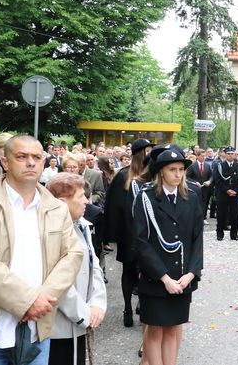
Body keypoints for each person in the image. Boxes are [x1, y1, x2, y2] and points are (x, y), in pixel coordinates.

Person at [0, 135, 83, 364]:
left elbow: (72, 255)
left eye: (36, 157)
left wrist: (42, 302)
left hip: (36, 333)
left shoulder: (56, 208)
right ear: (5, 162)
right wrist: (28, 301)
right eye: (21, 156)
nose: (30, 162)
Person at [133, 149, 203, 365]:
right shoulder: (146, 197)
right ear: (161, 172)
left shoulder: (191, 197)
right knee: (154, 331)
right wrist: (164, 278)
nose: (178, 174)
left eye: (181, 170)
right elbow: (141, 241)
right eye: (172, 170)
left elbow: (197, 240)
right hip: (156, 278)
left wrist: (191, 273)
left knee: (173, 329)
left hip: (182, 277)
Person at [46, 173, 107, 365]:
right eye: (81, 196)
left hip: (83, 319)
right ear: (62, 202)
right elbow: (56, 280)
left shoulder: (82, 225)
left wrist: (97, 304)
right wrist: (83, 314)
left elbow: (94, 266)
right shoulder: (48, 232)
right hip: (59, 327)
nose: (86, 202)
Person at [104, 138, 153, 327]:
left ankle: (140, 302)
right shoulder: (124, 176)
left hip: (146, 233)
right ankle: (127, 307)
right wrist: (112, 236)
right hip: (129, 234)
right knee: (129, 270)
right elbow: (114, 208)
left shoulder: (151, 176)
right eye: (148, 150)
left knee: (145, 270)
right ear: (141, 153)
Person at [213, 146, 238, 241]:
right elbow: (217, 180)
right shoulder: (220, 166)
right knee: (221, 215)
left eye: (232, 154)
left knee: (234, 216)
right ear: (225, 155)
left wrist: (235, 190)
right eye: (229, 154)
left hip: (234, 195)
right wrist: (227, 190)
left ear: (235, 154)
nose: (231, 156)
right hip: (223, 195)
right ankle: (219, 234)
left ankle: (234, 235)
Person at [186, 149, 213, 222]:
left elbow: (211, 176)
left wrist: (209, 181)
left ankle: (203, 218)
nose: (204, 157)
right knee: (196, 203)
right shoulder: (192, 166)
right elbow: (187, 177)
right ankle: (195, 218)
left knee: (204, 203)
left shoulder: (207, 165)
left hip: (205, 188)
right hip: (195, 188)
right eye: (202, 156)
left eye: (204, 156)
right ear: (197, 156)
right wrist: (195, 182)